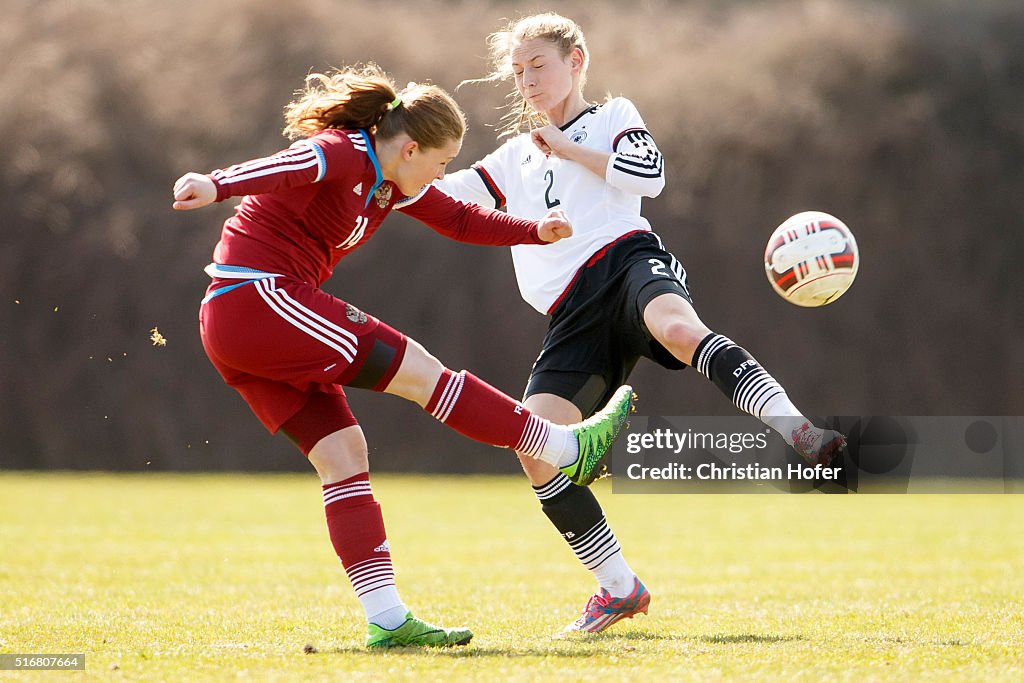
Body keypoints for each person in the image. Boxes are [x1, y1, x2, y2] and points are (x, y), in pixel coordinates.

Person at [171, 63, 636, 649]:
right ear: (410, 147)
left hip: (245, 325)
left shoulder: (391, 184)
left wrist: (532, 230)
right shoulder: (344, 151)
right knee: (422, 374)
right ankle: (564, 445)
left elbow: (460, 219)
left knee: (344, 455)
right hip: (259, 299)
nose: (442, 175)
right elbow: (286, 167)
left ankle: (388, 621)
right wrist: (216, 184)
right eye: (441, 163)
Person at [435, 13, 847, 635]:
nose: (527, 81)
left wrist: (567, 147)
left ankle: (802, 434)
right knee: (535, 446)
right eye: (518, 72)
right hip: (571, 314)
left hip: (627, 263)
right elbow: (440, 193)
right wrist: (379, 175)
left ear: (576, 61)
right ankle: (618, 588)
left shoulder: (613, 116)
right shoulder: (511, 159)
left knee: (680, 329)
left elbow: (647, 176)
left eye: (538, 65)